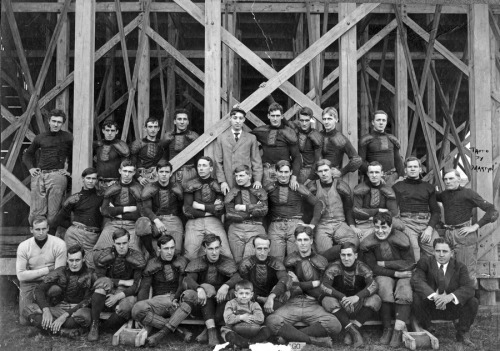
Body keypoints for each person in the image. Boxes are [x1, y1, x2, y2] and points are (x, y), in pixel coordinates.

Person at [266, 226, 341, 348]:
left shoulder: (321, 261)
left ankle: (288, 337)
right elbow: (290, 286)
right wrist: (312, 283)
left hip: (313, 303)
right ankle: (315, 341)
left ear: (311, 240)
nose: (303, 243)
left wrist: (300, 283)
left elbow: (323, 287)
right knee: (271, 321)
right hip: (292, 303)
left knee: (334, 324)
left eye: (306, 240)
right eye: (299, 240)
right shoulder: (290, 260)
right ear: (295, 241)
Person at [167, 234, 241, 346]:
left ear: (221, 247)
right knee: (207, 294)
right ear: (204, 249)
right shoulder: (198, 262)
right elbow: (188, 279)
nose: (214, 252)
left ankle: (209, 332)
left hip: (221, 303)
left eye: (217, 248)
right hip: (203, 304)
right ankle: (211, 333)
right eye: (210, 249)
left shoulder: (227, 262)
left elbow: (237, 277)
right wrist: (199, 288)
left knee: (230, 294)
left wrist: (226, 285)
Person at [361, 212, 415, 347]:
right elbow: (372, 268)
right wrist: (395, 273)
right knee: (384, 286)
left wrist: (385, 263)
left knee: (404, 290)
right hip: (386, 274)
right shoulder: (368, 243)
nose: (380, 231)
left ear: (391, 227)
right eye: (377, 227)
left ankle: (397, 331)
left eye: (384, 227)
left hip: (403, 273)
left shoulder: (402, 238)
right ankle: (387, 328)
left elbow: (409, 263)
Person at [411, 238, 478, 347]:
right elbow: (417, 280)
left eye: (445, 251)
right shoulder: (425, 262)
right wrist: (434, 296)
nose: (441, 255)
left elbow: (469, 287)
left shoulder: (460, 267)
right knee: (416, 297)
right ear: (433, 251)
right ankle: (428, 327)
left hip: (450, 308)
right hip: (430, 308)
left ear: (451, 253)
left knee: (473, 301)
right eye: (438, 251)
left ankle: (462, 332)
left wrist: (450, 297)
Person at [437, 169, 499, 287]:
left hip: (464, 235)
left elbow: (492, 210)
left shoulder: (468, 193)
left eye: (451, 179)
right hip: (448, 234)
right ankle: (454, 303)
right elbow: (428, 194)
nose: (447, 181)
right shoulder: (444, 195)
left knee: (466, 272)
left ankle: (469, 304)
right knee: (448, 272)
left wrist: (475, 226)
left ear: (459, 179)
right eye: (445, 179)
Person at [23, 245, 95, 338]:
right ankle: (63, 332)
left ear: (83, 259)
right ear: (67, 259)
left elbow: (88, 300)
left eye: (77, 260)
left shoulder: (90, 274)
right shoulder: (60, 271)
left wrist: (64, 316)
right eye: (71, 260)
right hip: (59, 310)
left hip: (77, 310)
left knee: (85, 317)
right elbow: (39, 289)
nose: (74, 264)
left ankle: (46, 326)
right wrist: (46, 310)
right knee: (27, 309)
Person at [131, 235, 192, 345]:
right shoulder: (152, 263)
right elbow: (144, 288)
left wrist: (177, 299)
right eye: (166, 248)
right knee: (137, 309)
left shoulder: (182, 261)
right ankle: (179, 330)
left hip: (177, 302)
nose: (170, 252)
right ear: (159, 249)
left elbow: (182, 285)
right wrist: (141, 308)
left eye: (172, 248)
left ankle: (167, 329)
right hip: (157, 302)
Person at [88, 228, 146, 341]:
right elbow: (99, 279)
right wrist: (121, 282)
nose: (121, 246)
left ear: (129, 242)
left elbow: (136, 286)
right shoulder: (106, 255)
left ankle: (104, 327)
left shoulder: (137, 257)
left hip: (125, 293)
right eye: (118, 243)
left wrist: (117, 297)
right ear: (113, 243)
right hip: (108, 288)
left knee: (128, 305)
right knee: (101, 286)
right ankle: (94, 325)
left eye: (124, 243)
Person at [320, 242, 381, 348]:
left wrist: (357, 297)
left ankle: (354, 329)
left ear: (355, 255)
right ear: (340, 255)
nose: (346, 258)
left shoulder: (362, 267)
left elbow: (374, 285)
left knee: (376, 299)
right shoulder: (334, 267)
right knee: (327, 300)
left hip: (358, 304)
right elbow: (324, 286)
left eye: (349, 255)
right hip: (341, 305)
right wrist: (341, 296)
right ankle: (354, 332)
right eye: (343, 255)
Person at [22, 109, 73, 229]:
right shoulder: (40, 137)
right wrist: (31, 168)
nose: (56, 124)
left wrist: (69, 170)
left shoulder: (68, 137)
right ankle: (38, 239)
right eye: (53, 121)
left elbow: (75, 155)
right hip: (40, 175)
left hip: (57, 175)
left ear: (62, 123)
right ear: (49, 121)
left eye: (59, 122)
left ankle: (51, 241)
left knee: (53, 214)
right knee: (36, 213)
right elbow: (27, 154)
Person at [265, 160, 324, 261]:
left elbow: (318, 204)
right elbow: (261, 206)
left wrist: (312, 224)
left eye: (286, 172)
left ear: (291, 172)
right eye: (281, 172)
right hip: (276, 227)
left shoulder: (298, 187)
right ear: (276, 172)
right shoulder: (270, 188)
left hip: (295, 225)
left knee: (297, 260)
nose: (283, 175)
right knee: (275, 261)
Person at [16, 216, 67, 325]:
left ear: (48, 228)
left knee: (56, 289)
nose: (41, 232)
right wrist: (48, 269)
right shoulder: (24, 246)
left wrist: (31, 274)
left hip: (49, 282)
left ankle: (45, 309)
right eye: (37, 229)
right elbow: (21, 276)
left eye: (44, 229)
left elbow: (58, 273)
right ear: (31, 230)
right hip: (29, 283)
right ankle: (46, 310)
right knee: (24, 321)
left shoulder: (59, 244)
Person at [50, 168, 102, 268]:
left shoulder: (101, 197)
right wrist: (74, 227)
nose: (91, 181)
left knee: (91, 267)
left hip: (92, 238)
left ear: (97, 180)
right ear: (83, 179)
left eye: (93, 178)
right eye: (88, 178)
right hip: (74, 235)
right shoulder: (75, 198)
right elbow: (57, 219)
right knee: (73, 265)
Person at [183, 156, 232, 260]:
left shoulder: (217, 185)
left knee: (226, 254)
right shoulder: (190, 184)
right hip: (194, 222)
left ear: (211, 169)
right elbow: (188, 210)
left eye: (204, 166)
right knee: (190, 255)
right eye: (199, 165)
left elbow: (220, 209)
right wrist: (210, 210)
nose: (201, 168)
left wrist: (200, 206)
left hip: (213, 221)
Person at [393, 156, 440, 261]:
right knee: (414, 252)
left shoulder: (428, 187)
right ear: (405, 170)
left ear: (420, 169)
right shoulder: (398, 187)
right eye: (410, 167)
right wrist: (400, 225)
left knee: (438, 251)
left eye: (415, 166)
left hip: (425, 223)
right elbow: (393, 211)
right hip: (407, 223)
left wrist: (429, 228)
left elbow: (436, 211)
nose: (413, 169)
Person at [306, 159, 358, 254]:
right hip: (322, 225)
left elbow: (348, 208)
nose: (324, 173)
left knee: (353, 244)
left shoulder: (340, 186)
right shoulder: (313, 187)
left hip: (340, 223)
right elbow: (308, 210)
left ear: (331, 170)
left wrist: (352, 226)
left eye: (326, 170)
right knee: (324, 252)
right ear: (317, 173)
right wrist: (309, 225)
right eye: (320, 171)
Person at [135, 160, 184, 257]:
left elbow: (183, 208)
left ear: (171, 174)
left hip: (173, 220)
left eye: (166, 172)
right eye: (161, 172)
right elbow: (146, 209)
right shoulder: (150, 187)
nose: (164, 174)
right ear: (157, 173)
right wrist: (156, 221)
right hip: (155, 220)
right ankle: (151, 253)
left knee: (175, 252)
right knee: (155, 252)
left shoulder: (177, 187)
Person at [93, 160, 142, 253]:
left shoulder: (139, 189)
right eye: (125, 171)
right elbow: (104, 210)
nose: (127, 174)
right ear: (120, 171)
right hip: (113, 224)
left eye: (130, 172)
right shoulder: (112, 188)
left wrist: (117, 213)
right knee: (99, 252)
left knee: (134, 253)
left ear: (134, 173)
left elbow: (140, 213)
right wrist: (128, 209)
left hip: (132, 225)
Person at [214, 105, 263, 194]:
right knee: (230, 204)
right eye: (235, 118)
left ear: (244, 120)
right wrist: (222, 181)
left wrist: (257, 180)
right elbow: (218, 162)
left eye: (240, 118)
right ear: (230, 119)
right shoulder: (222, 138)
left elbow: (256, 161)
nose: (237, 121)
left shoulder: (251, 138)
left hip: (246, 180)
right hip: (229, 180)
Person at [225, 165, 268, 263]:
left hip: (255, 228)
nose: (238, 179)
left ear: (249, 176)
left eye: (241, 176)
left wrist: (243, 207)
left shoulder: (259, 190)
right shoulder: (232, 192)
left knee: (249, 262)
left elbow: (264, 210)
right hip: (236, 229)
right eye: (236, 176)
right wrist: (253, 210)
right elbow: (229, 214)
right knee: (237, 262)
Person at [252, 102, 301, 188]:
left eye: (277, 116)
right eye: (273, 115)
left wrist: (294, 177)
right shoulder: (261, 131)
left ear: (282, 116)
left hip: (284, 171)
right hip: (267, 171)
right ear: (268, 116)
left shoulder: (289, 133)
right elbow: (245, 137)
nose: (275, 118)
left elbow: (296, 157)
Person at [238, 235, 292, 314]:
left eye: (265, 248)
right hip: (251, 298)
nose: (262, 252)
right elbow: (242, 286)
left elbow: (284, 278)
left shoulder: (275, 262)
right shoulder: (246, 263)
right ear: (254, 249)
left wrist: (271, 297)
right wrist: (260, 298)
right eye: (259, 248)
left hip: (271, 298)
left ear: (269, 249)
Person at [307, 107, 361, 183]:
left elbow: (357, 160)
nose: (326, 122)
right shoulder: (318, 135)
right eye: (324, 119)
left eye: (329, 119)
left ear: (336, 119)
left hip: (331, 179)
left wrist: (341, 172)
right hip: (315, 177)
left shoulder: (340, 139)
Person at [353, 161, 403, 240]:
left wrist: (369, 212)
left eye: (377, 172)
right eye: (371, 172)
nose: (374, 175)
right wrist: (379, 210)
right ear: (367, 173)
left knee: (400, 236)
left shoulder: (388, 190)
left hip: (384, 222)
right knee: (364, 244)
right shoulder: (359, 189)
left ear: (382, 173)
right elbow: (357, 212)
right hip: (365, 224)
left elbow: (393, 213)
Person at [220, 280, 272, 348]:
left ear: (251, 295)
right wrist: (241, 317)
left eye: (247, 293)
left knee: (266, 330)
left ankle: (251, 342)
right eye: (241, 293)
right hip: (235, 330)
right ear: (236, 294)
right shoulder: (230, 303)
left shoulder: (254, 304)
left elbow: (260, 318)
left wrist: (248, 317)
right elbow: (228, 318)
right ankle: (246, 344)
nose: (244, 296)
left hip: (252, 330)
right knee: (228, 334)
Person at [358, 110, 404, 187]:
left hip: (392, 178)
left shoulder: (392, 139)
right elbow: (360, 162)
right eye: (378, 120)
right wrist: (374, 175)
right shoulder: (365, 140)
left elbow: (397, 159)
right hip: (373, 178)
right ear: (373, 122)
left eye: (384, 120)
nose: (381, 122)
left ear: (386, 122)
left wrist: (402, 176)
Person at [164, 108, 199, 188]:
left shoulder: (194, 136)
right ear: (175, 121)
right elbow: (163, 157)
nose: (182, 122)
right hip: (172, 174)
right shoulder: (168, 137)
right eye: (179, 119)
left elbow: (198, 158)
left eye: (184, 119)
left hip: (190, 173)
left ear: (188, 122)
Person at [93, 119, 130, 195]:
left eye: (112, 130)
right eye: (107, 130)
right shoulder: (97, 144)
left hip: (115, 183)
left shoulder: (121, 145)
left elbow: (126, 161)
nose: (110, 133)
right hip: (98, 184)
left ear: (117, 132)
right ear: (103, 131)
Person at [130, 117, 167, 185]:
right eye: (150, 127)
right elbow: (131, 164)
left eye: (155, 127)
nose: (153, 129)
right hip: (141, 179)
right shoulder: (138, 144)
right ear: (145, 128)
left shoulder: (162, 144)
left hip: (158, 178)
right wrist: (139, 178)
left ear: (158, 128)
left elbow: (164, 162)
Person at [291, 107, 323, 184]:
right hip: (295, 170)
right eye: (302, 120)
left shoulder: (315, 135)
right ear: (299, 120)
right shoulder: (295, 131)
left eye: (307, 120)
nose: (304, 123)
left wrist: (310, 178)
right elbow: (284, 120)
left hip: (309, 171)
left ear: (311, 120)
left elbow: (318, 160)